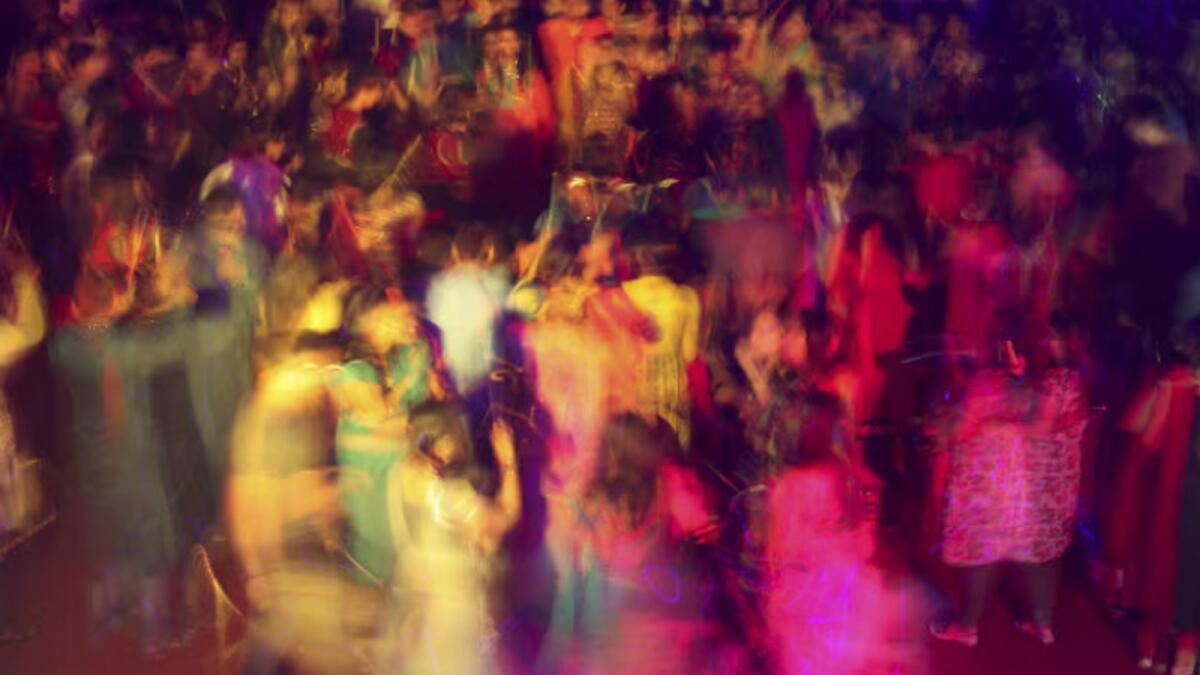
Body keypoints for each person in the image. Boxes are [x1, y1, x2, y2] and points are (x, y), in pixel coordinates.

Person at [377, 402, 522, 674]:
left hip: (417, 606)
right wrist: (508, 462)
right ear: (444, 443)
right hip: (452, 614)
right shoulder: (447, 496)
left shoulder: (399, 475)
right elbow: (506, 517)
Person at [331, 284, 439, 582]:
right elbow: (381, 418)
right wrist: (409, 382)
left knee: (413, 550)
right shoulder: (354, 371)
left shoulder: (409, 352)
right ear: (370, 321)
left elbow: (435, 402)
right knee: (379, 549)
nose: (409, 321)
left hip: (407, 466)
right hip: (372, 474)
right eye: (397, 315)